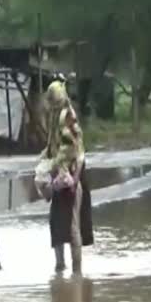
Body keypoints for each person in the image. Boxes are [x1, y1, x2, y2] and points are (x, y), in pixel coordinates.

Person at [44, 77, 94, 274]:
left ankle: (77, 273)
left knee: (73, 224)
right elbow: (53, 147)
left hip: (73, 174)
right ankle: (60, 266)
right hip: (60, 172)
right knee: (56, 221)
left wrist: (73, 178)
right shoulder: (55, 117)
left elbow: (76, 151)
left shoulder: (68, 117)